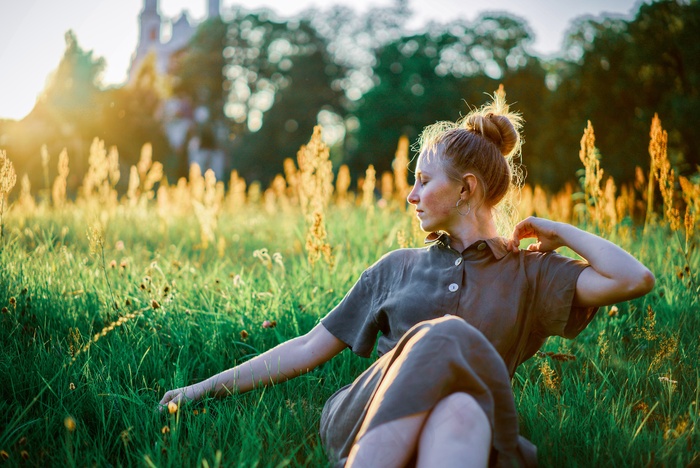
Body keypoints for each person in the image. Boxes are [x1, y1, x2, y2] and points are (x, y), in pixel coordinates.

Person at [159, 91, 655, 467]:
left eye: (423, 180)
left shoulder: (531, 273)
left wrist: (559, 231)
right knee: (444, 336)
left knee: (461, 410)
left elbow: (635, 279)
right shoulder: (396, 267)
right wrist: (200, 390)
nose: (411, 196)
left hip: (473, 428)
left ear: (466, 190)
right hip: (365, 414)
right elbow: (306, 347)